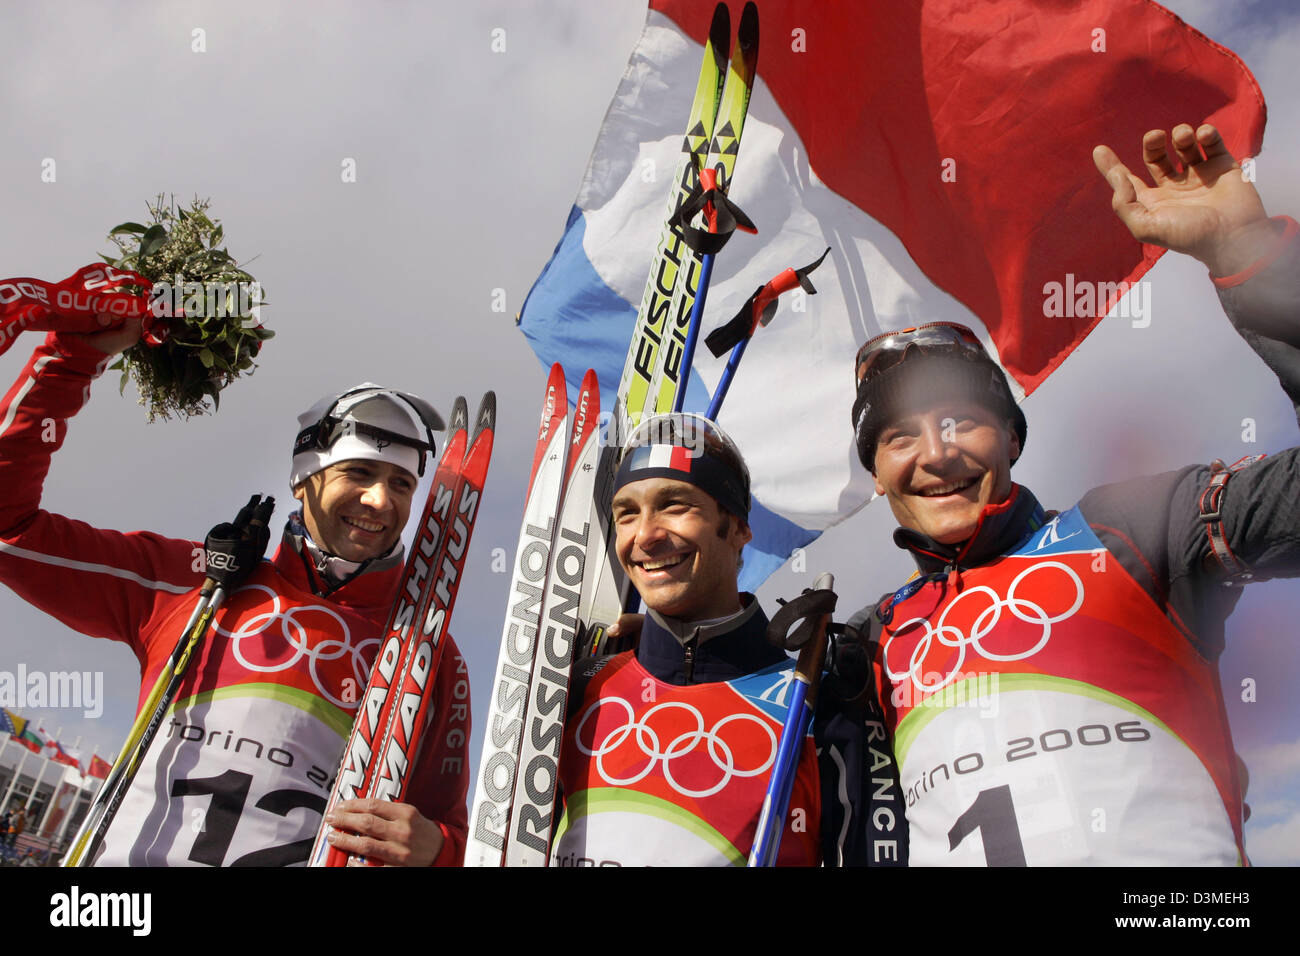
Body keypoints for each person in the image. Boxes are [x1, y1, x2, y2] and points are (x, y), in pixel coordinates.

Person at [846, 122, 1299, 865]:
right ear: (876, 473)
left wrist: (1251, 260)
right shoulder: (863, 643)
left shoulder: (1134, 528)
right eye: (900, 437)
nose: (937, 453)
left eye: (963, 419)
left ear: (1013, 439)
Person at [0, 316, 471, 866]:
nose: (379, 500)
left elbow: (455, 831)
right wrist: (72, 357)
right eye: (360, 473)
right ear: (304, 477)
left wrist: (439, 851)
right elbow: (12, 531)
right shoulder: (196, 582)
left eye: (400, 483)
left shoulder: (429, 653)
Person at [553, 413, 870, 866]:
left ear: (739, 528)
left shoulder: (817, 697)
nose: (645, 535)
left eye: (675, 505)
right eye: (627, 514)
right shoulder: (580, 687)